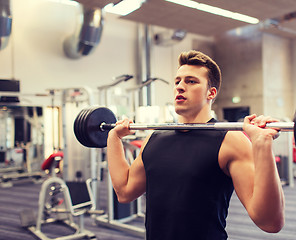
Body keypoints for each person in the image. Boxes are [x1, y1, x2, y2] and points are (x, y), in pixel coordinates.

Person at [107, 50, 285, 240]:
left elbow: (269, 222)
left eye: (191, 81)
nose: (180, 87)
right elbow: (125, 191)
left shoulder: (230, 141)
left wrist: (262, 144)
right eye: (177, 81)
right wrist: (113, 138)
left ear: (211, 92)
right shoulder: (154, 138)